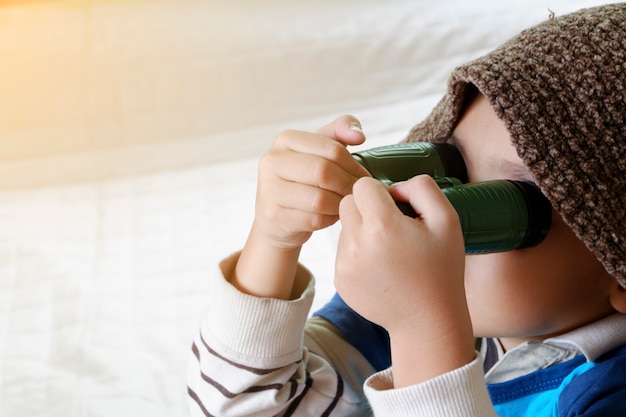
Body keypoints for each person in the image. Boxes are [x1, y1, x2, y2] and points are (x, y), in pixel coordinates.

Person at [187, 4, 626, 416]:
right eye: (447, 161)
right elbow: (252, 406)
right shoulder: (429, 306)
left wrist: (424, 329)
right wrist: (273, 241)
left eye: (512, 199)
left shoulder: (608, 391)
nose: (437, 210)